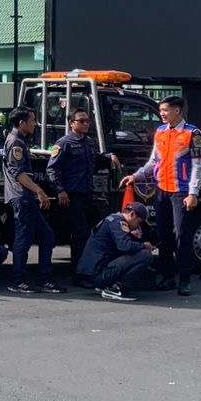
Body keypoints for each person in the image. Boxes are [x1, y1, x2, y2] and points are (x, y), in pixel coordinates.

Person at [121, 95, 201, 296]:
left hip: (181, 192)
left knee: (182, 236)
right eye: (161, 110)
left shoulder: (193, 133)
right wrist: (136, 175)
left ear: (177, 110)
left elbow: (198, 165)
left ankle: (184, 280)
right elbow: (153, 161)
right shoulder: (160, 132)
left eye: (165, 110)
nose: (162, 114)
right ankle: (167, 276)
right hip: (162, 190)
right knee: (164, 235)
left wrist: (193, 192)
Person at [44, 107, 120, 283]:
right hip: (72, 195)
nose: (86, 124)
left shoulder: (88, 142)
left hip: (88, 194)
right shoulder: (64, 143)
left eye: (88, 121)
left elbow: (95, 158)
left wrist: (109, 156)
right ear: (71, 123)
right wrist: (60, 190)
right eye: (81, 121)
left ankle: (93, 268)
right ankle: (79, 274)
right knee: (80, 234)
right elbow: (52, 169)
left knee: (97, 231)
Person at [2, 106, 64, 295]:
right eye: (32, 120)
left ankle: (44, 279)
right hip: (22, 197)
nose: (35, 124)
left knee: (47, 236)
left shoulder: (20, 141)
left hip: (25, 198)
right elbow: (18, 173)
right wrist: (39, 191)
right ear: (21, 123)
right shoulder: (16, 143)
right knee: (24, 240)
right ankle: (18, 280)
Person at [75, 203, 160, 302]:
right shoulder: (118, 222)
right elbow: (125, 246)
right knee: (145, 255)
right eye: (139, 222)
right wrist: (144, 246)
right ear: (132, 214)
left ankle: (108, 285)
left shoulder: (113, 220)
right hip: (97, 273)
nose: (138, 227)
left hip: (93, 272)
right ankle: (115, 288)